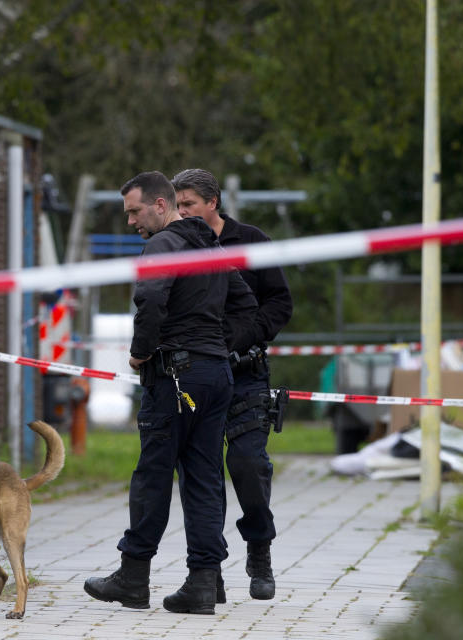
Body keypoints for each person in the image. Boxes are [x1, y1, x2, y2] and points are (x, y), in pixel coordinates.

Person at [83, 171, 257, 615]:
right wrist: (216, 346)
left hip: (174, 379)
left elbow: (151, 298)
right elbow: (246, 307)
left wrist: (141, 353)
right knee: (203, 480)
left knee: (153, 476)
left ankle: (133, 576)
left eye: (135, 211)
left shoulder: (164, 245)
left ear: (162, 206)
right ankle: (203, 583)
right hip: (216, 378)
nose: (130, 222)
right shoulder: (214, 249)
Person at [172, 168, 293, 601]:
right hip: (195, 377)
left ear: (212, 204)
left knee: (247, 464)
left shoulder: (252, 242)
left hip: (245, 374)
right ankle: (209, 570)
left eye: (188, 204)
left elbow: (280, 303)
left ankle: (259, 547)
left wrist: (239, 337)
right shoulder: (175, 245)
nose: (181, 212)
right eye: (177, 204)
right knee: (199, 477)